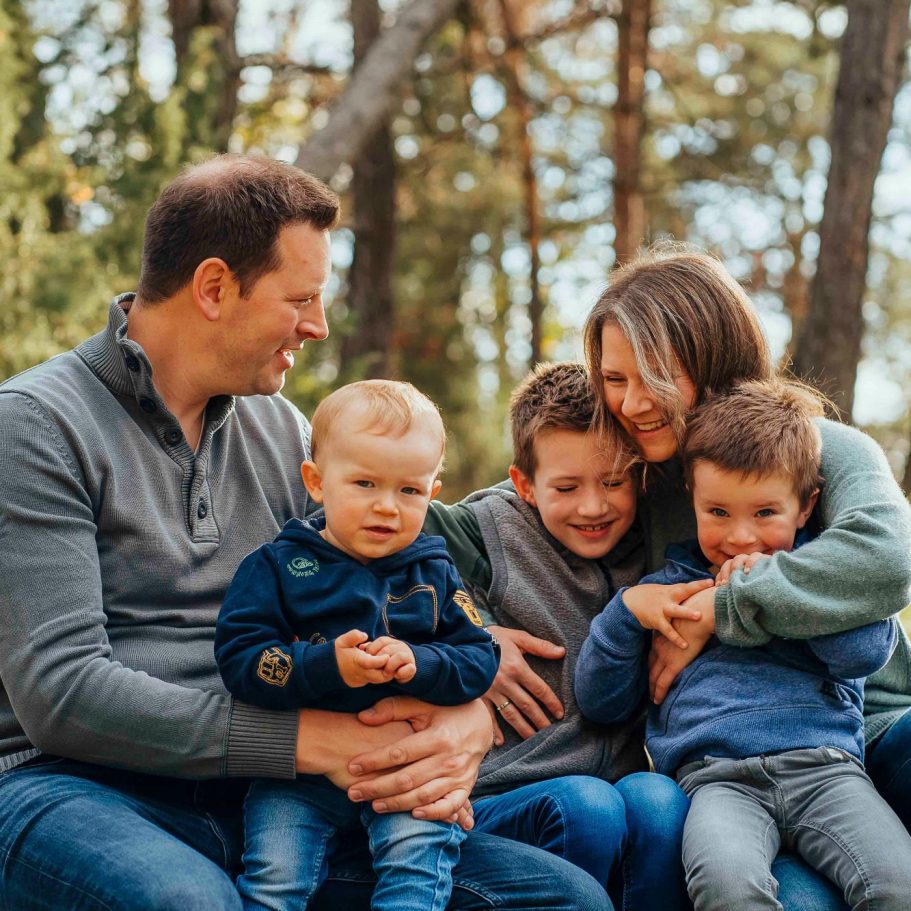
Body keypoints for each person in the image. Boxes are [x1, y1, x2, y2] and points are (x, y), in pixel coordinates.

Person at [0, 154, 610, 911]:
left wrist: (460, 709)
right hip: (76, 789)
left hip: (268, 795)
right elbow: (61, 693)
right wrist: (310, 743)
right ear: (215, 288)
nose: (318, 325)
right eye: (302, 298)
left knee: (562, 899)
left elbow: (381, 574)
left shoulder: (278, 427)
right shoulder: (34, 425)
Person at [580, 245, 911, 910]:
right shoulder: (634, 469)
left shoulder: (816, 446)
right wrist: (474, 615)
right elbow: (514, 500)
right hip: (726, 768)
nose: (632, 401)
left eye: (655, 376)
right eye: (614, 379)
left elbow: (889, 556)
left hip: (859, 732)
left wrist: (720, 605)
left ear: (710, 355)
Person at [215, 380, 499, 911]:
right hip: (298, 776)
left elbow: (480, 658)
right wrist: (326, 667)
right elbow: (242, 659)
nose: (386, 507)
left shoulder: (434, 571)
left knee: (415, 867)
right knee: (275, 878)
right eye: (364, 483)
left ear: (432, 493)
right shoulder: (277, 566)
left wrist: (421, 662)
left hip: (404, 768)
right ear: (317, 482)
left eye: (409, 491)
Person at [425, 362, 697, 910]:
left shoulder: (651, 540)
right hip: (498, 795)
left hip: (616, 783)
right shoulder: (485, 529)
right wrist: (474, 635)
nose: (593, 507)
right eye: (566, 487)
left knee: (659, 801)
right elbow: (361, 547)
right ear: (525, 484)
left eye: (614, 482)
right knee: (586, 807)